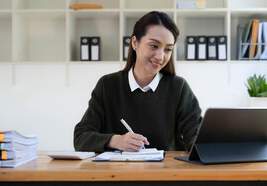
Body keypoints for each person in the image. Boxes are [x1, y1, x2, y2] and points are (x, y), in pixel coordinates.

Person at [74, 11, 202, 152]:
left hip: (166, 172)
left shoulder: (178, 88)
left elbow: (196, 136)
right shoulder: (108, 86)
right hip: (118, 173)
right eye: (154, 46)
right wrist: (115, 141)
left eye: (168, 49)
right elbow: (81, 137)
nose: (160, 56)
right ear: (135, 43)